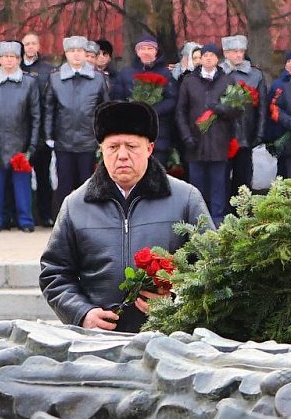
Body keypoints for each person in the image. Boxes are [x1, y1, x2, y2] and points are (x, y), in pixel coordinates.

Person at [40, 101, 210, 333]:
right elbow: (54, 273)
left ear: (149, 148)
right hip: (99, 342)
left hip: (168, 338)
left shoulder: (185, 199)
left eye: (131, 146)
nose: (122, 156)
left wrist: (176, 301)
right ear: (101, 149)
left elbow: (211, 266)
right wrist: (81, 313)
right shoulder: (76, 204)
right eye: (113, 147)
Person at [0, 41, 41, 232]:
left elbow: (36, 116)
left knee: (22, 187)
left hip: (20, 143)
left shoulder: (29, 83)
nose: (9, 60)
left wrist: (32, 145)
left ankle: (26, 221)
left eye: (13, 57)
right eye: (5, 57)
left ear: (19, 59)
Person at [174, 43, 238, 223]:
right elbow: (180, 112)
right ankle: (198, 221)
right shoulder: (189, 81)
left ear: (218, 59)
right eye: (205, 54)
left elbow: (237, 110)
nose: (208, 58)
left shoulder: (227, 80)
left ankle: (218, 221)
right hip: (195, 143)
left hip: (219, 142)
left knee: (219, 185)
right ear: (200, 58)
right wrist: (186, 136)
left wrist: (221, 109)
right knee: (196, 187)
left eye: (212, 55)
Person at [44, 35, 108, 204]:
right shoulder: (55, 78)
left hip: (88, 140)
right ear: (66, 54)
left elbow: (104, 109)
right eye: (71, 51)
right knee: (64, 182)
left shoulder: (98, 78)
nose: (76, 55)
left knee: (87, 183)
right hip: (63, 140)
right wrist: (49, 136)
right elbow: (49, 108)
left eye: (79, 51)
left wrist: (103, 135)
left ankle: (87, 220)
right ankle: (63, 221)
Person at [111, 34, 177, 165]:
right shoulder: (126, 73)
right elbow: (116, 99)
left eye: (150, 48)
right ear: (137, 52)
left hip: (158, 134)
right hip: (132, 133)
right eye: (142, 49)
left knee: (156, 175)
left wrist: (152, 110)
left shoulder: (166, 74)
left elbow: (172, 100)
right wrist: (131, 109)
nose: (146, 52)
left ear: (156, 52)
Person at [220, 34, 267, 199]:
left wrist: (260, 133)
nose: (239, 55)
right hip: (223, 135)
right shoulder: (218, 73)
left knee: (244, 178)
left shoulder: (255, 75)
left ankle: (242, 213)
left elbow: (262, 107)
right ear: (226, 53)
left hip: (246, 134)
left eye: (241, 51)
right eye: (234, 51)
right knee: (222, 178)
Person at [20, 32, 56, 226]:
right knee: (20, 175)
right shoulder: (16, 67)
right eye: (27, 44)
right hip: (20, 131)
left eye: (34, 43)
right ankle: (22, 215)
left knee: (43, 177)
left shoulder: (48, 70)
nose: (30, 47)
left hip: (42, 131)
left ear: (38, 45)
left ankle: (45, 214)